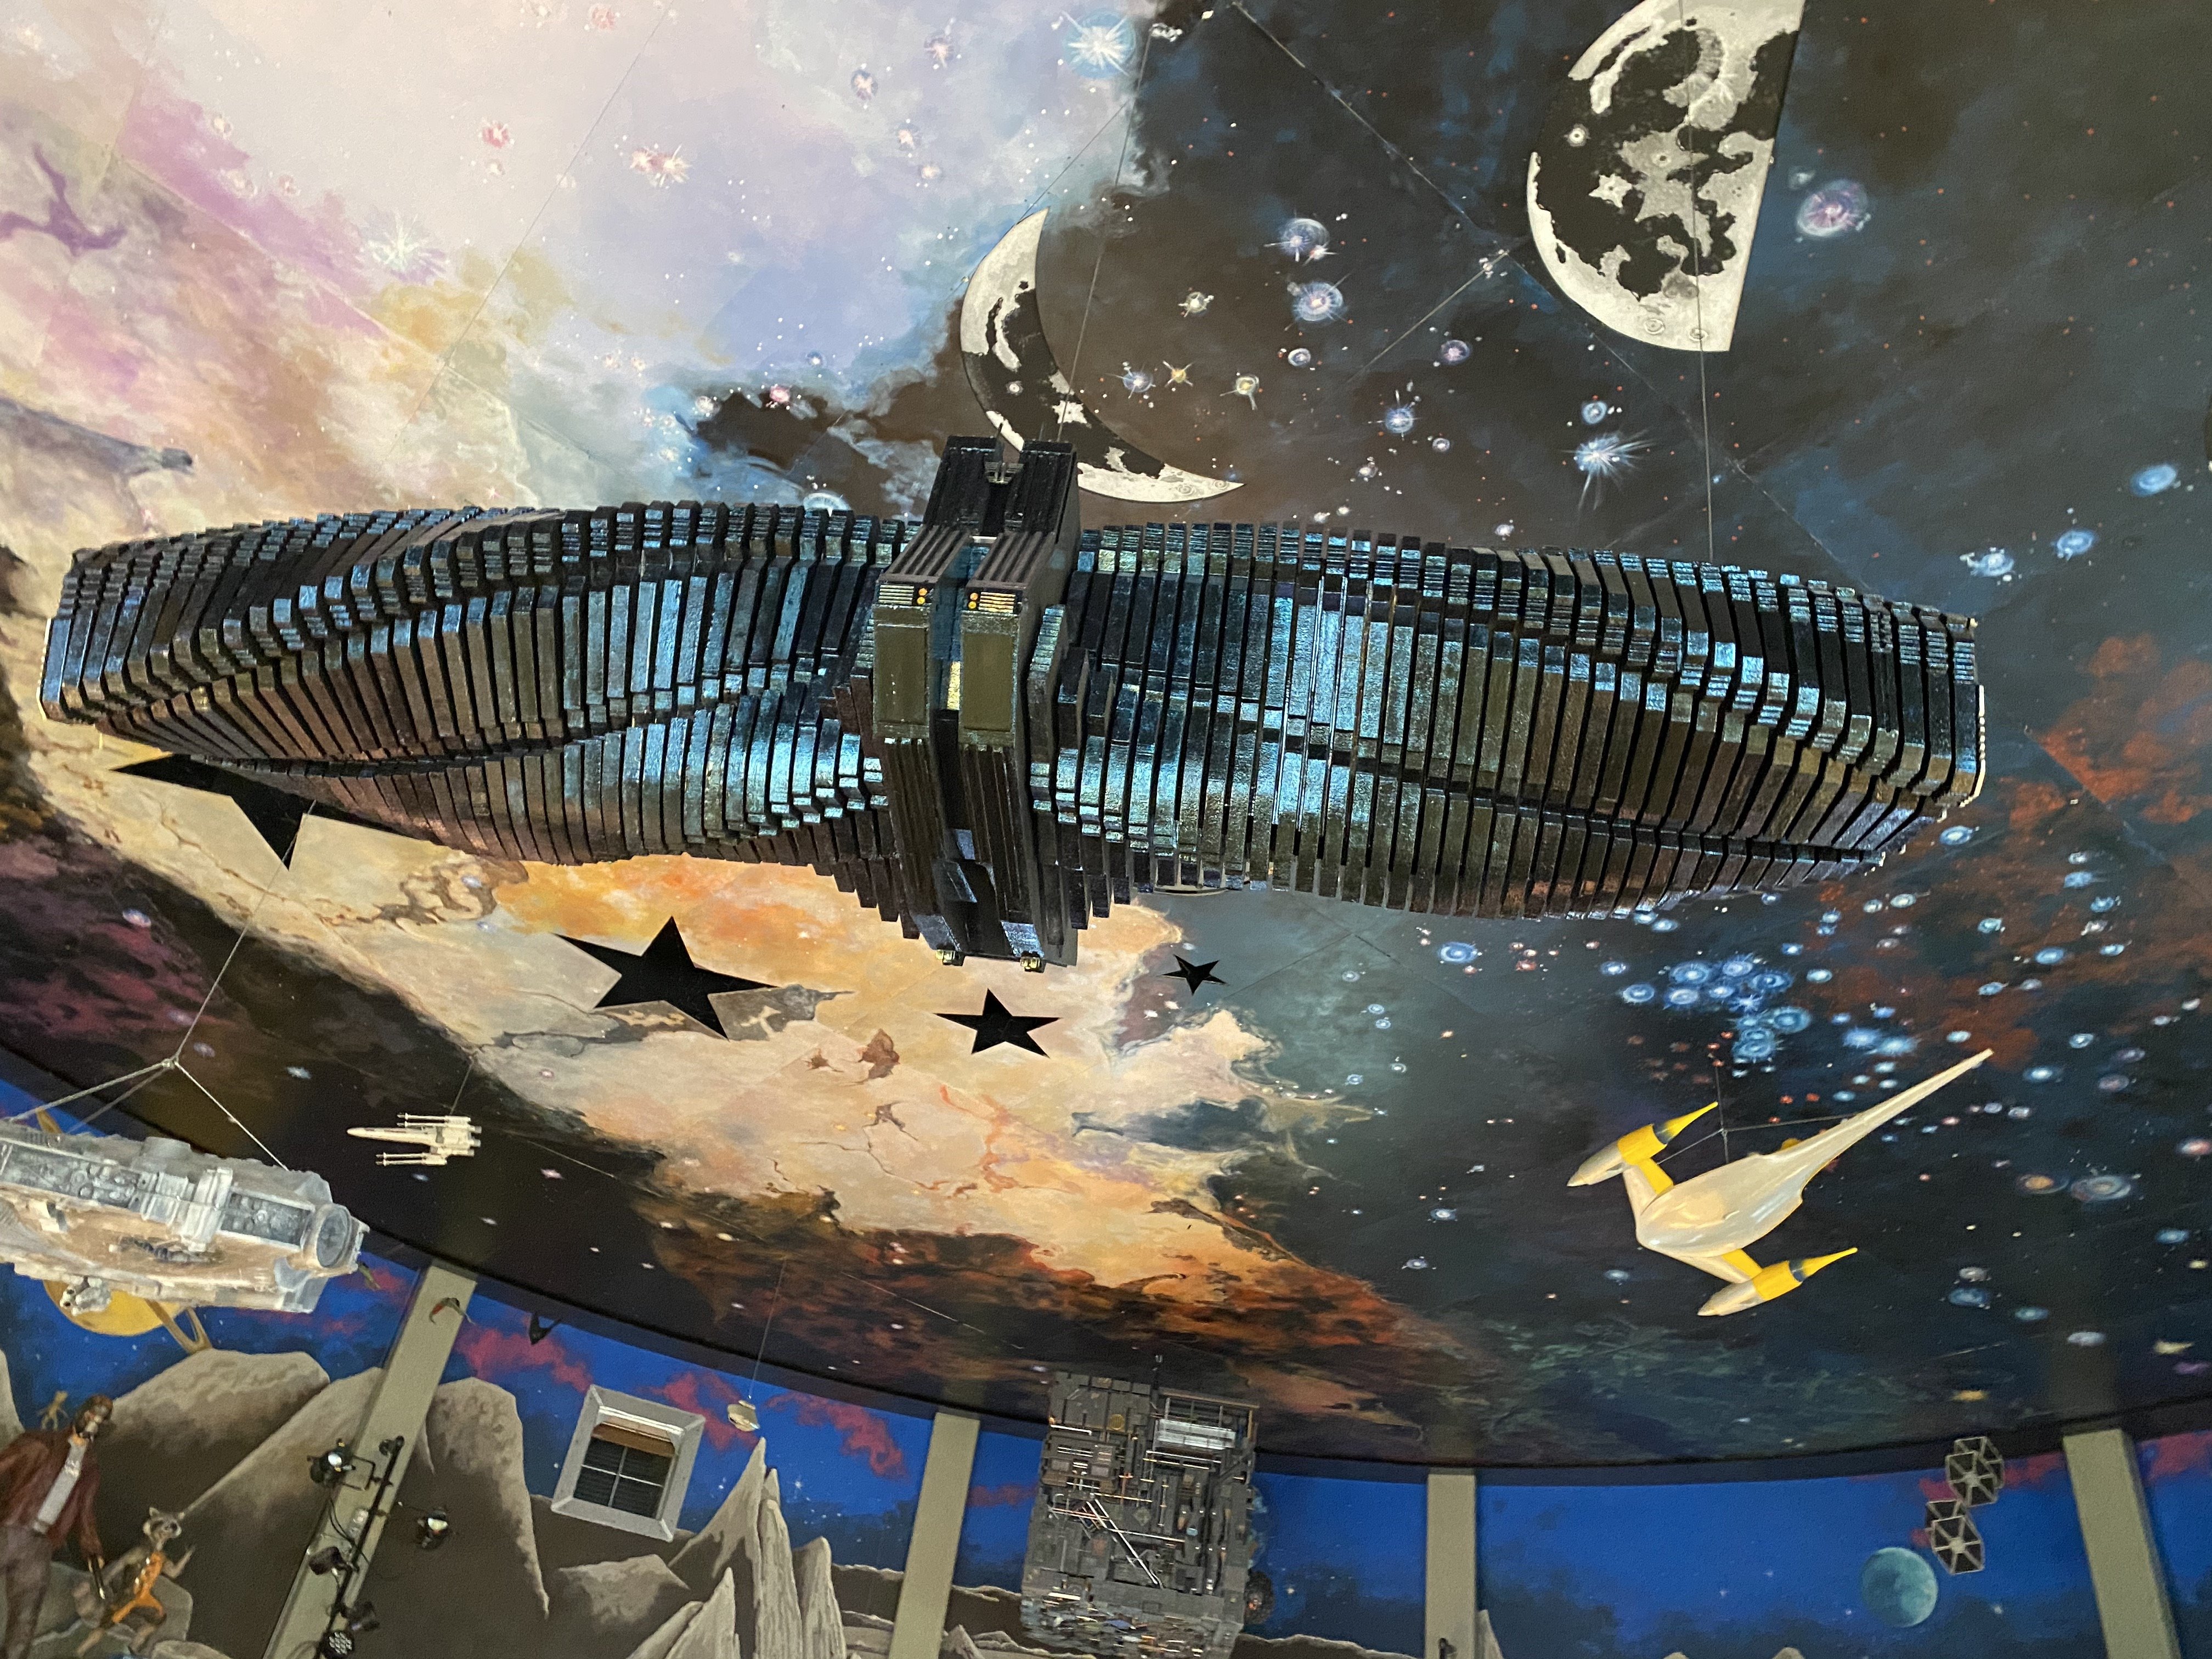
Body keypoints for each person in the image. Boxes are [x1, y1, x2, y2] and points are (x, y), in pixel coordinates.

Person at [0, 1397, 109, 1659]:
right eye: (91, 1416)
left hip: (41, 1544)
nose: (93, 1423)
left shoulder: (89, 1469)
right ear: (81, 1414)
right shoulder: (40, 1445)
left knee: (25, 1617)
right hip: (11, 1530)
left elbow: (85, 1514)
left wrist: (92, 1550)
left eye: (101, 1420)